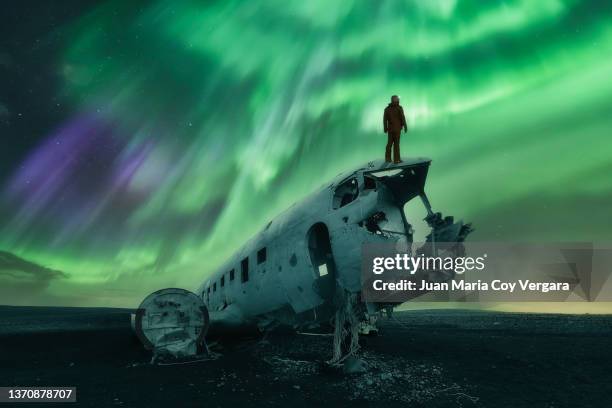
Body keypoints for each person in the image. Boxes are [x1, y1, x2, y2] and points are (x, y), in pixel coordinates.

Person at [383, 95, 408, 163]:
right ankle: (395, 159)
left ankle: (390, 159)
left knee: (391, 144)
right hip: (395, 130)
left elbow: (385, 120)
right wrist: (405, 126)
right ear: (396, 101)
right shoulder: (398, 108)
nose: (398, 101)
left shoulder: (387, 109)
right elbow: (402, 118)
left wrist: (385, 128)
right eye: (397, 100)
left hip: (392, 130)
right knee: (395, 145)